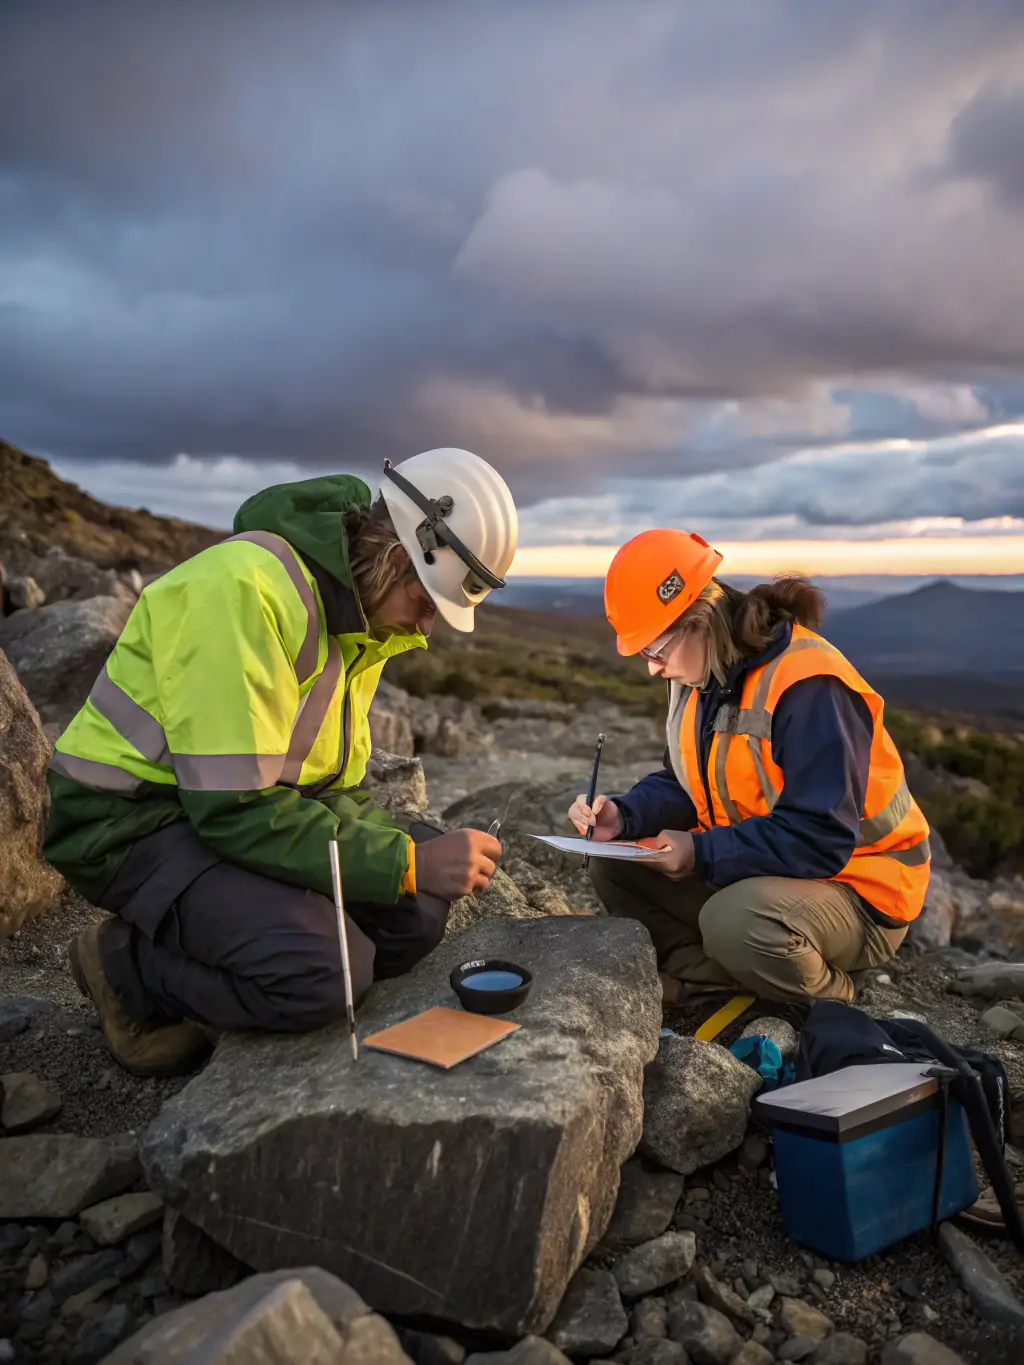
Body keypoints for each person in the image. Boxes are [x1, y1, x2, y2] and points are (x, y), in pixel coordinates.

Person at [45, 448, 515, 1075]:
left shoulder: (360, 618)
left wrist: (409, 865)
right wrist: (404, 859)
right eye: (428, 598)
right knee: (326, 975)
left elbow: (331, 787)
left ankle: (266, 937)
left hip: (229, 809)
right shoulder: (243, 590)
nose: (429, 626)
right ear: (399, 555)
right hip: (134, 823)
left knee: (417, 915)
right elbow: (234, 806)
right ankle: (123, 965)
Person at [568, 528, 931, 1007]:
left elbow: (820, 838)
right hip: (769, 872)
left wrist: (700, 852)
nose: (653, 669)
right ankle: (723, 981)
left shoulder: (810, 686)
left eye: (655, 651)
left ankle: (838, 999)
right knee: (615, 866)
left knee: (733, 922)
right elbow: (687, 784)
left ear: (699, 619)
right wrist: (626, 814)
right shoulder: (701, 677)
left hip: (861, 889)